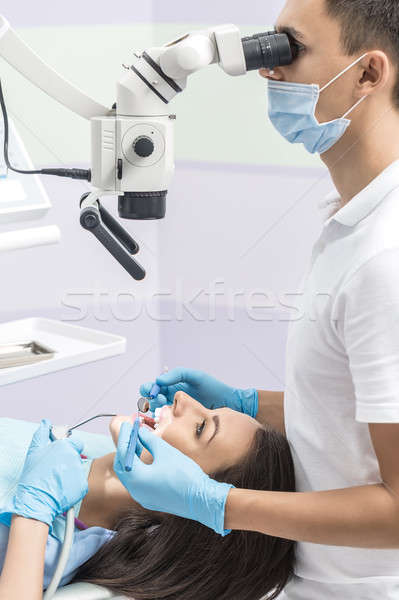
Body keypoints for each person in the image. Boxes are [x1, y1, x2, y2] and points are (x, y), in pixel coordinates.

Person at [112, 2, 399, 599]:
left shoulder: (384, 258)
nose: (267, 72)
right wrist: (249, 403)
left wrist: (221, 504)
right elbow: (357, 422)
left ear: (369, 74)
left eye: (288, 50)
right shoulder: (353, 226)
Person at [0, 395, 296, 599]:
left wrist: (33, 512)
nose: (182, 398)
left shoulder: (54, 547)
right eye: (208, 407)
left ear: (183, 504)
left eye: (200, 427)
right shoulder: (78, 451)